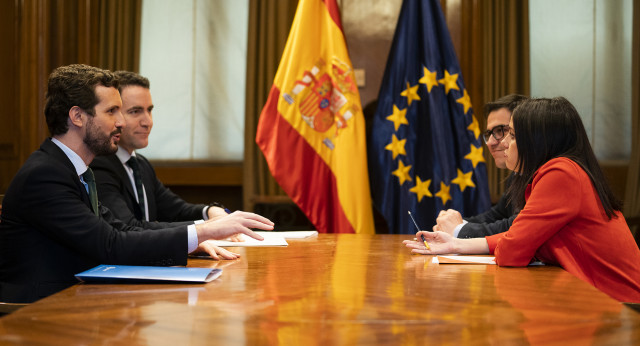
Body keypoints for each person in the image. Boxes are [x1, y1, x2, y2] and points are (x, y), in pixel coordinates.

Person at [0, 64, 274, 303]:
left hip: (80, 300)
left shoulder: (76, 170)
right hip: (39, 314)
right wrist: (202, 232)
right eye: (111, 111)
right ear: (77, 116)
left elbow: (119, 229)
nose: (121, 122)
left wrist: (197, 236)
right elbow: (111, 244)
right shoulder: (45, 175)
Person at [405, 97, 640, 303]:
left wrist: (470, 240)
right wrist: (455, 245)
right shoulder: (564, 171)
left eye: (513, 135)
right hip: (602, 303)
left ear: (538, 142)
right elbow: (518, 237)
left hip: (622, 310)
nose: (504, 143)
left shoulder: (561, 173)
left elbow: (512, 250)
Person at [90, 71, 240, 260]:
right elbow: (129, 226)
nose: (148, 122)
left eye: (149, 110)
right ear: (114, 115)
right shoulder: (99, 166)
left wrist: (210, 212)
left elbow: (175, 210)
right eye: (135, 112)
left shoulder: (140, 164)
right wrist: (203, 230)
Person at [433, 94, 528, 238]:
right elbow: (496, 215)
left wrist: (459, 229)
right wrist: (450, 224)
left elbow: (517, 227)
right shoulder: (518, 174)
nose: (490, 143)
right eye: (489, 133)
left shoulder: (547, 174)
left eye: (500, 130)